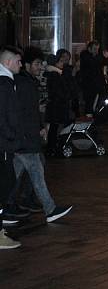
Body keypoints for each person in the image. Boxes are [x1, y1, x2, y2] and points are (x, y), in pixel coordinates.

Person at [10, 47, 72, 224]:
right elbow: (24, 112)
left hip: (24, 137)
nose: (40, 67)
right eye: (36, 64)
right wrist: (36, 128)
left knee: (17, 173)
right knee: (36, 171)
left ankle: (12, 203)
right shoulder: (23, 83)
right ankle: (49, 208)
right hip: (25, 138)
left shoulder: (25, 81)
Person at [0, 46, 23, 249]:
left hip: (5, 143)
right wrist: (11, 138)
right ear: (8, 62)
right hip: (4, 144)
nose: (20, 64)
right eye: (18, 61)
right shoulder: (4, 83)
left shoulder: (6, 82)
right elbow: (6, 116)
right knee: (5, 183)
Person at [79, 41, 106, 115]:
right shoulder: (85, 56)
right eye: (94, 49)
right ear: (89, 49)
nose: (96, 51)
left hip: (97, 86)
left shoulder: (96, 57)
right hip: (89, 86)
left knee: (96, 104)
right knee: (89, 105)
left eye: (97, 49)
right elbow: (92, 65)